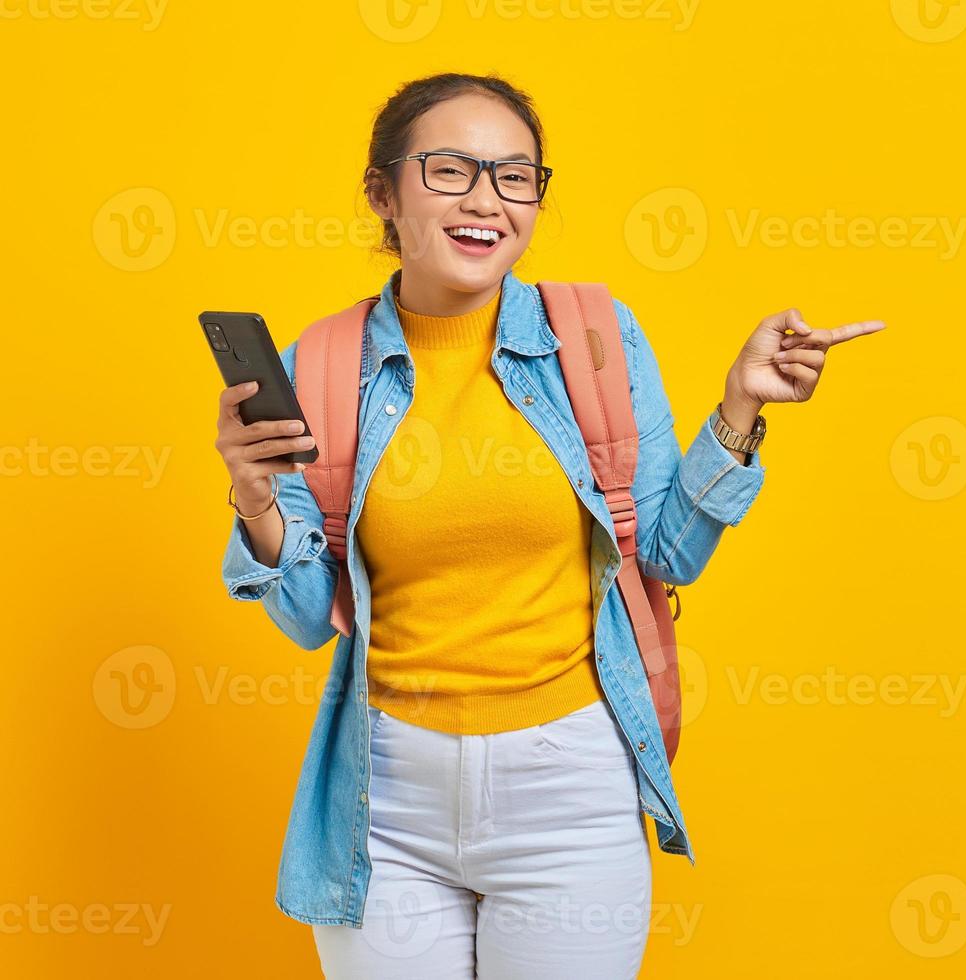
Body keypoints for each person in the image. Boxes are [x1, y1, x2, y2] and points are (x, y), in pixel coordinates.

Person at [214, 71, 884, 979]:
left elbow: (669, 554)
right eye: (450, 169)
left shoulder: (598, 336)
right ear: (383, 192)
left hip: (569, 789)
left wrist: (736, 412)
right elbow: (302, 617)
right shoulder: (322, 362)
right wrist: (253, 498)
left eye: (515, 176)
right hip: (385, 799)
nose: (486, 199)